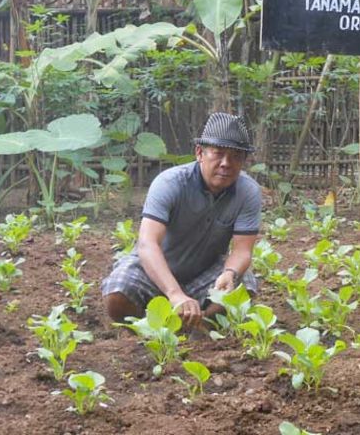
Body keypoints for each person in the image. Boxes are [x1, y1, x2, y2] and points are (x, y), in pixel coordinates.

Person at [102, 112, 262, 329]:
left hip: (203, 274)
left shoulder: (247, 191)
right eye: (218, 153)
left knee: (244, 284)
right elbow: (148, 244)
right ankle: (154, 327)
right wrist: (175, 294)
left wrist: (229, 273)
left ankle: (198, 325)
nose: (226, 163)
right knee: (117, 292)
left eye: (236, 156)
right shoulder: (170, 183)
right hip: (155, 271)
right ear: (200, 153)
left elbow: (242, 251)